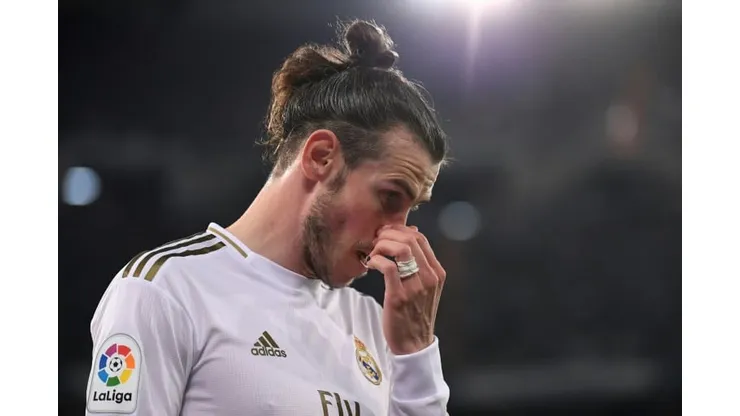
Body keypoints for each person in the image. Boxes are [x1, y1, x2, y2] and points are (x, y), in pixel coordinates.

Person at [85, 19, 451, 416]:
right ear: (320, 157)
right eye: (390, 197)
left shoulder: (372, 324)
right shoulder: (164, 290)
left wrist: (416, 353)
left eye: (412, 208)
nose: (397, 232)